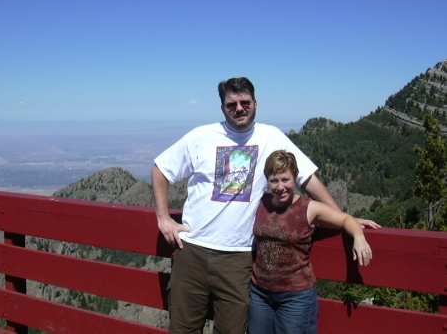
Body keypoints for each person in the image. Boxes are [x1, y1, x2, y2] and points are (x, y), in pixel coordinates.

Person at [152, 77, 342, 333]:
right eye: (232, 104)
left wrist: (340, 217)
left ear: (256, 104)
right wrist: (163, 218)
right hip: (192, 250)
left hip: (239, 258)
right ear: (222, 108)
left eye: (245, 102)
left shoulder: (271, 136)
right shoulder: (201, 136)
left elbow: (306, 177)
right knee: (183, 329)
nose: (239, 108)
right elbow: (161, 169)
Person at [249, 150, 378, 334]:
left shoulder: (309, 208)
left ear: (295, 178)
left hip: (295, 296)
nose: (280, 186)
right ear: (267, 181)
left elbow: (345, 219)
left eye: (285, 179)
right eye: (274, 180)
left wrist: (358, 236)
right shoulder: (261, 202)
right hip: (260, 293)